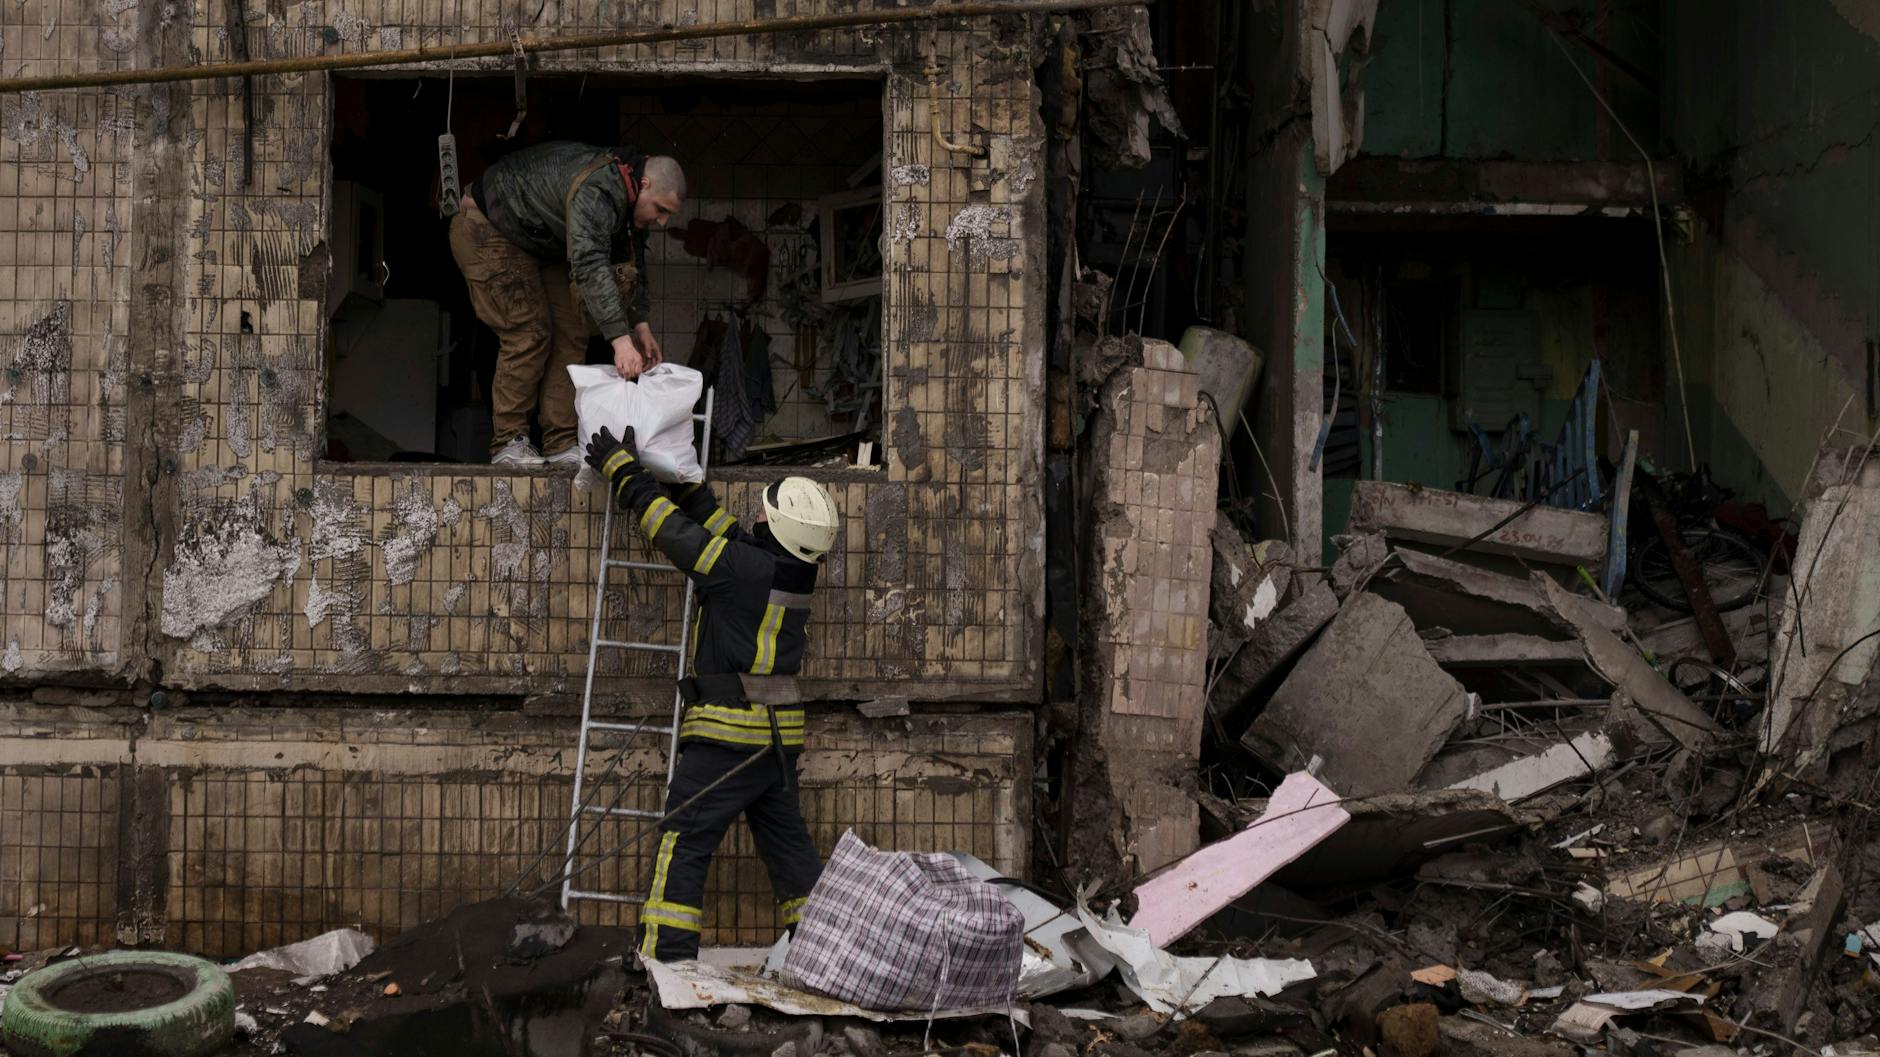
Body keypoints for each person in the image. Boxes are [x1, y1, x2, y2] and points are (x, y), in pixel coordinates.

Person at [584, 424, 841, 962]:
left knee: (685, 837)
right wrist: (686, 481)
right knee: (790, 852)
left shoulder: (743, 570)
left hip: (728, 739)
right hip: (775, 745)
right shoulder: (787, 571)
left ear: (781, 526)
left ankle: (666, 955)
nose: (758, 516)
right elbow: (724, 532)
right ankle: (825, 954)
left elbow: (675, 535)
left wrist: (624, 472)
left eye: (766, 513)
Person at [451, 143, 685, 466]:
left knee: (573, 329)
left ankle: (559, 441)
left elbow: (632, 263)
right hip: (489, 226)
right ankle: (509, 440)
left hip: (539, 240)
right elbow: (590, 263)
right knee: (529, 331)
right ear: (644, 185)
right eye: (660, 209)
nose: (662, 221)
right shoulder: (601, 188)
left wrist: (640, 326)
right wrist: (620, 342)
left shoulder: (629, 199)